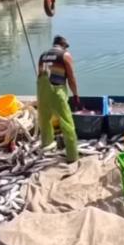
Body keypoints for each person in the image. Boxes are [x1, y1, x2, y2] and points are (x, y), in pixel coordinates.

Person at [37, 35, 80, 163]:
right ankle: (72, 156)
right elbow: (71, 78)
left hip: (42, 93)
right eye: (66, 47)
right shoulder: (65, 56)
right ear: (63, 45)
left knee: (44, 122)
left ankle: (47, 146)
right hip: (56, 94)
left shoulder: (43, 55)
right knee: (67, 125)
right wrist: (76, 95)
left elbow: (39, 76)